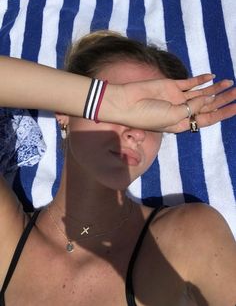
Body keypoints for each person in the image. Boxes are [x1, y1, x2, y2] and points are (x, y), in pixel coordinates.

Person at [0, 30, 235, 306]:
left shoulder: (188, 235)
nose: (136, 131)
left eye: (153, 117)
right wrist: (109, 101)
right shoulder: (9, 238)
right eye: (122, 112)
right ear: (63, 113)